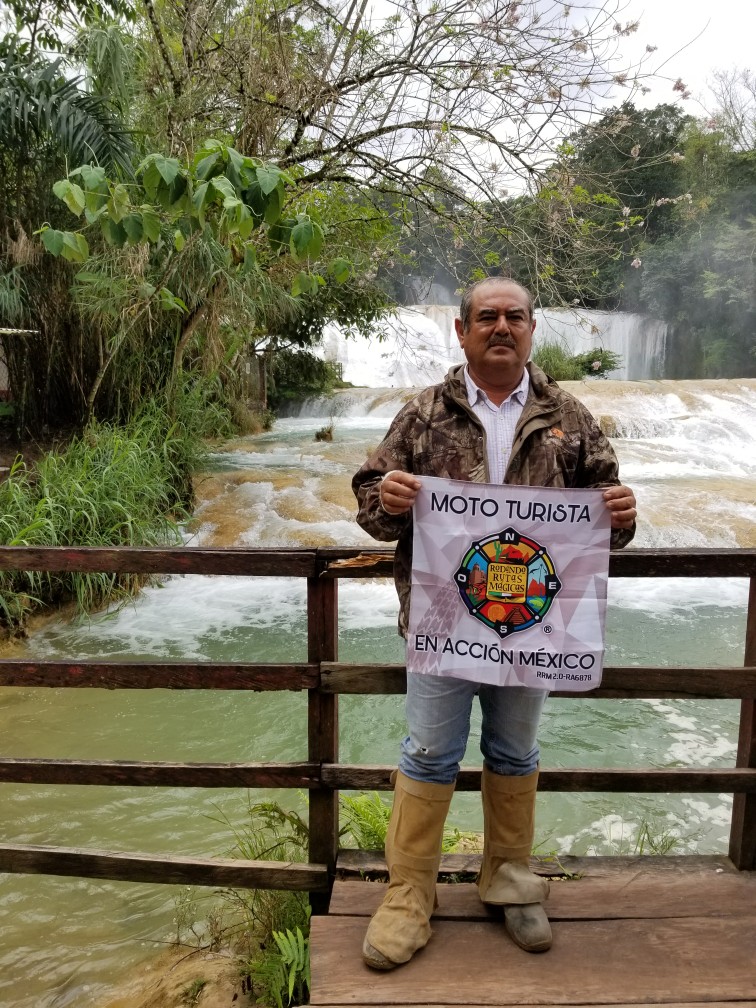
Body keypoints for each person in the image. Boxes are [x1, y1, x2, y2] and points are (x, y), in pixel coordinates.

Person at [352, 277, 637, 969]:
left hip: (530, 629)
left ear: (533, 329)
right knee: (428, 753)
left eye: (514, 317)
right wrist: (386, 498)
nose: (501, 327)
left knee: (514, 754)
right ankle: (408, 896)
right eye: (487, 317)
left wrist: (623, 515)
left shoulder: (567, 413)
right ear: (462, 330)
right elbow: (368, 500)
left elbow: (602, 515)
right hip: (444, 621)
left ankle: (506, 879)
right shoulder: (424, 414)